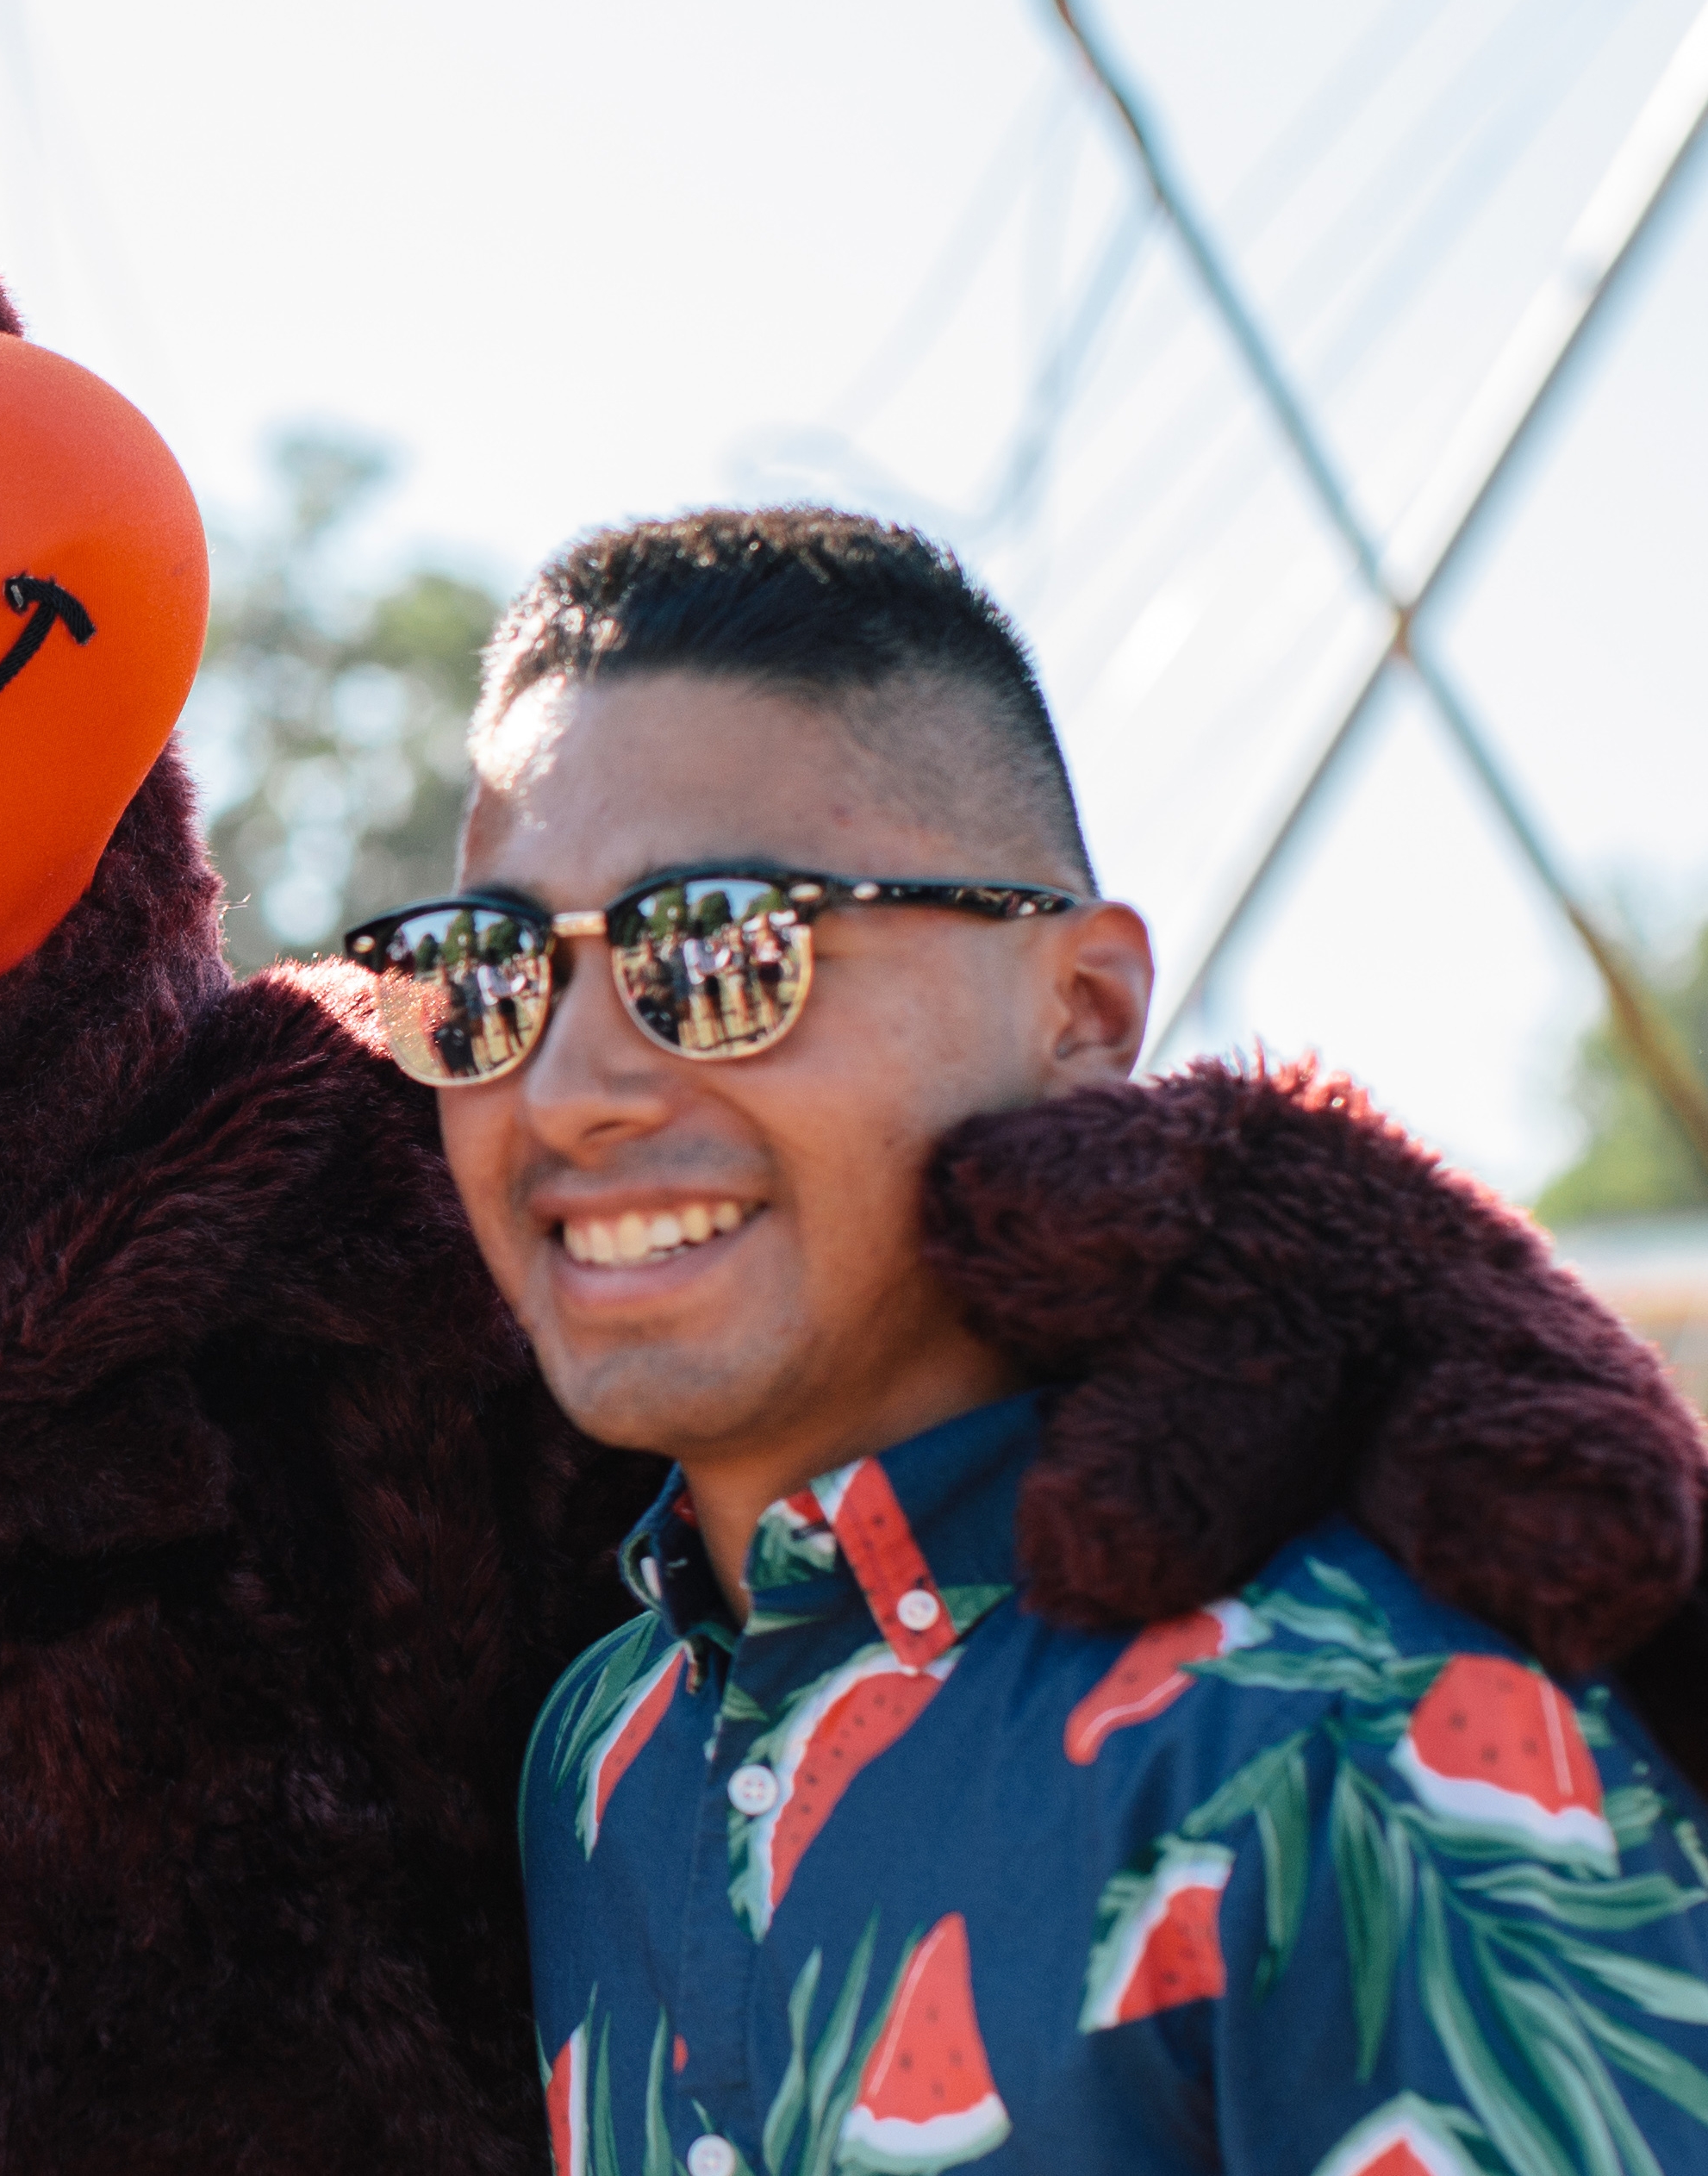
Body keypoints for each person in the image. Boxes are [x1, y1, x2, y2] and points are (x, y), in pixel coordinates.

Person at [343, 507, 1708, 2174]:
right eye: (488, 978)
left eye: (715, 949)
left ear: (1085, 1011)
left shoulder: (1351, 1732)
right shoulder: (588, 1759)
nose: (567, 1093)